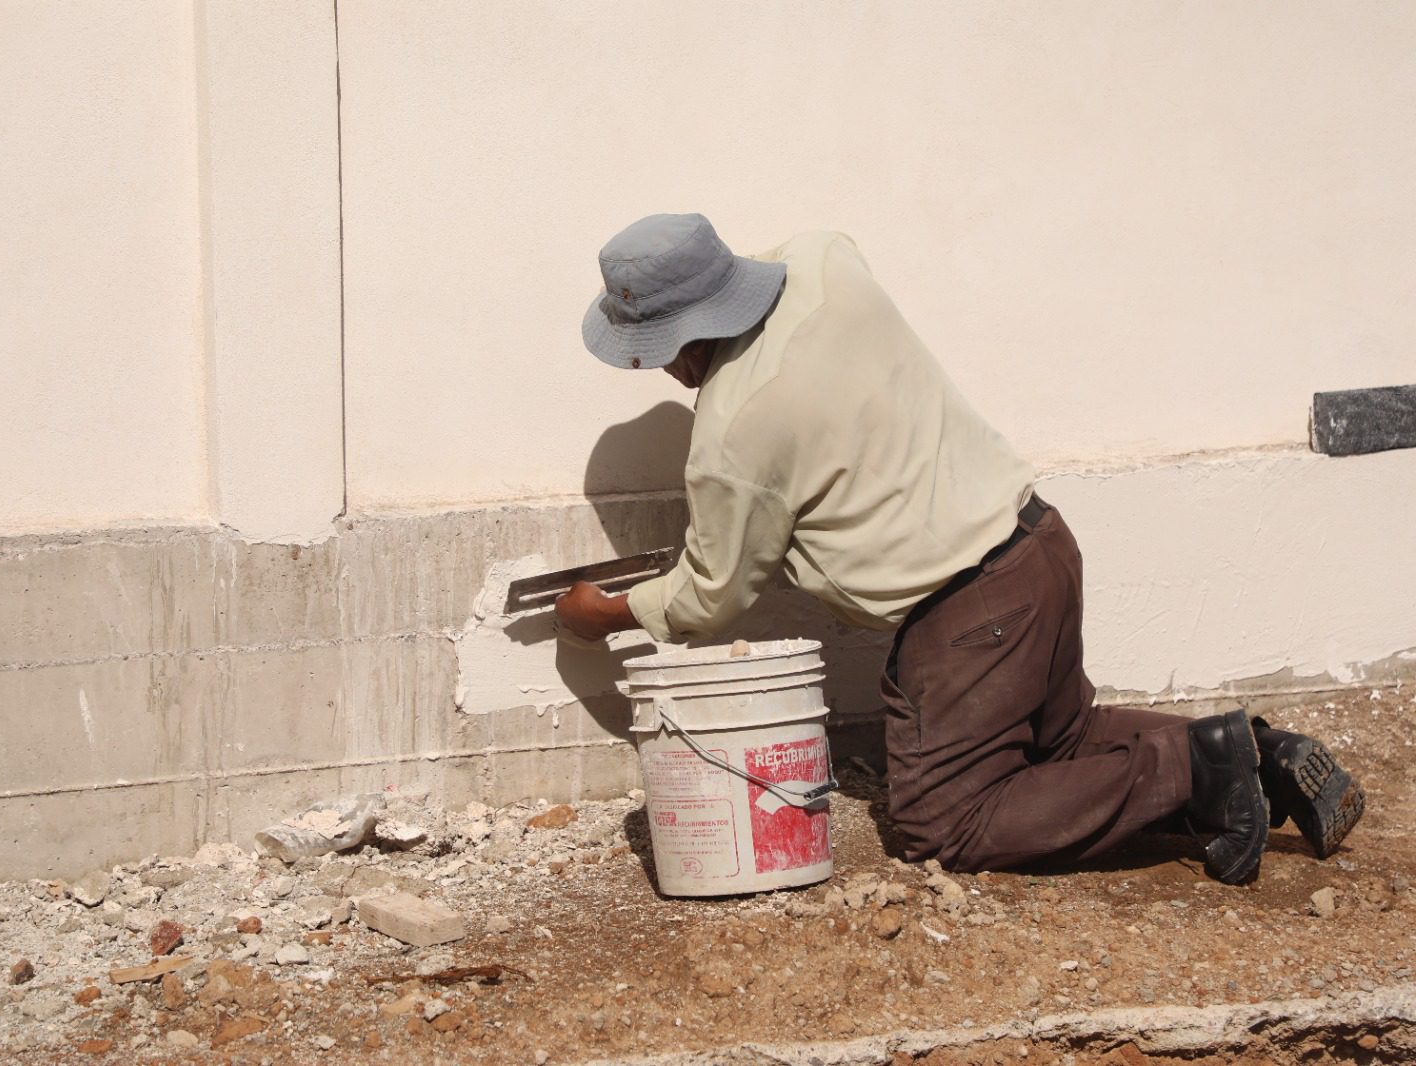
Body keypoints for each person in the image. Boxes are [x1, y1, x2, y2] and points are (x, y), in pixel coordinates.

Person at [556, 212, 1365, 883]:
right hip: (1039, 542)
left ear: (673, 345)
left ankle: (1200, 769)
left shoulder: (734, 433)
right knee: (1063, 743)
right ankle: (1254, 753)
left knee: (943, 823)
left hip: (969, 616)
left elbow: (714, 595)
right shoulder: (823, 260)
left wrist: (611, 610)